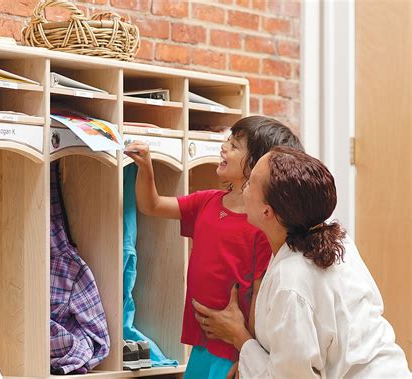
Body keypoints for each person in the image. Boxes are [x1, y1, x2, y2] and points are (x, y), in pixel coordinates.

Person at [193, 146, 410, 378]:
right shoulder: (336, 240)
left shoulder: (291, 280)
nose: (244, 184)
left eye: (251, 182)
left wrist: (240, 338)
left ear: (267, 211)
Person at [124, 117, 304, 378]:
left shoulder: (261, 226)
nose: (224, 147)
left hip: (232, 348)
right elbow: (151, 205)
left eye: (234, 145)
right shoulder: (206, 202)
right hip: (203, 342)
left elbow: (257, 293)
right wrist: (146, 168)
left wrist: (247, 354)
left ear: (257, 165)